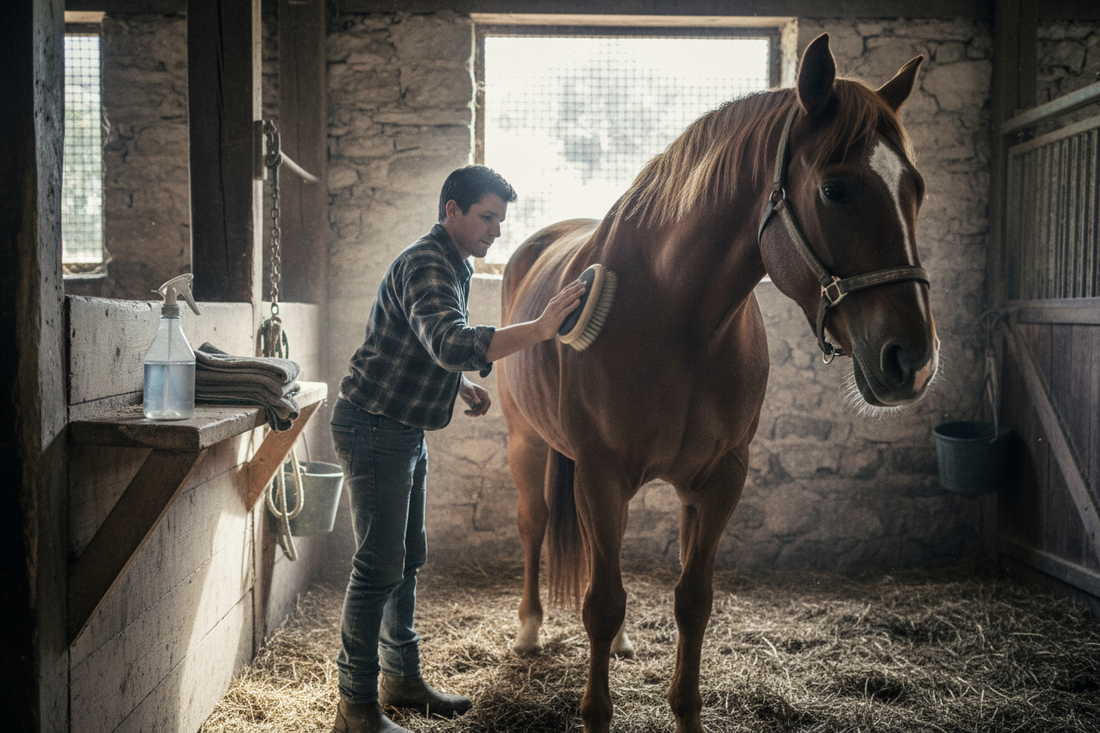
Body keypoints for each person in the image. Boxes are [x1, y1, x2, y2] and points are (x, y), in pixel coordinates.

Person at [330, 165, 586, 733]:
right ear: (452, 210)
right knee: (377, 566)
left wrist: (456, 383)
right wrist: (541, 328)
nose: (495, 229)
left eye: (500, 219)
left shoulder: (454, 262)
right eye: (486, 216)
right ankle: (355, 706)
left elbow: (420, 342)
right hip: (373, 426)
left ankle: (401, 678)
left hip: (400, 426)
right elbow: (448, 342)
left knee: (408, 556)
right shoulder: (427, 262)